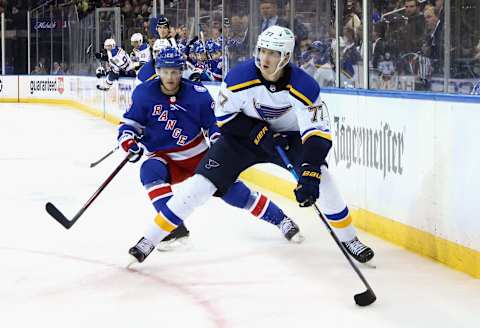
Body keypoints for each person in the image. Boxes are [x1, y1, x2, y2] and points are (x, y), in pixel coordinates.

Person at [127, 26, 375, 266]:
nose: (264, 58)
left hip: (289, 138)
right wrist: (258, 132)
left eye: (273, 53)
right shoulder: (238, 77)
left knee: (323, 178)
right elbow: (224, 119)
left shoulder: (305, 85)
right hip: (242, 139)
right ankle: (149, 240)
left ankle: (349, 239)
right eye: (262, 50)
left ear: (286, 56)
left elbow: (318, 132)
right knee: (201, 185)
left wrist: (309, 171)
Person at [119, 47, 305, 265]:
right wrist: (129, 143)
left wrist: (218, 139)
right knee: (149, 170)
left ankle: (281, 220)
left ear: (182, 71)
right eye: (165, 71)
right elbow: (129, 125)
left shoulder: (197, 93)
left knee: (235, 194)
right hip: (165, 159)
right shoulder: (143, 94)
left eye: (175, 71)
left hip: (199, 156)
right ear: (158, 70)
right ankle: (174, 229)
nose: (170, 77)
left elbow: (214, 124)